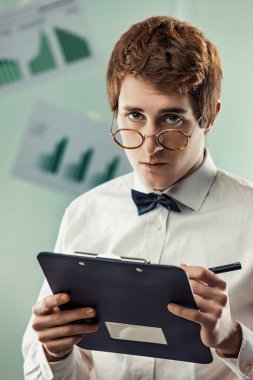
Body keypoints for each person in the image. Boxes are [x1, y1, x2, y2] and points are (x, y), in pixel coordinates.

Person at [22, 15, 253, 380]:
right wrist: (54, 351)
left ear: (210, 116)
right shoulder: (84, 212)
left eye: (172, 119)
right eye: (134, 115)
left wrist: (233, 340)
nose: (148, 143)